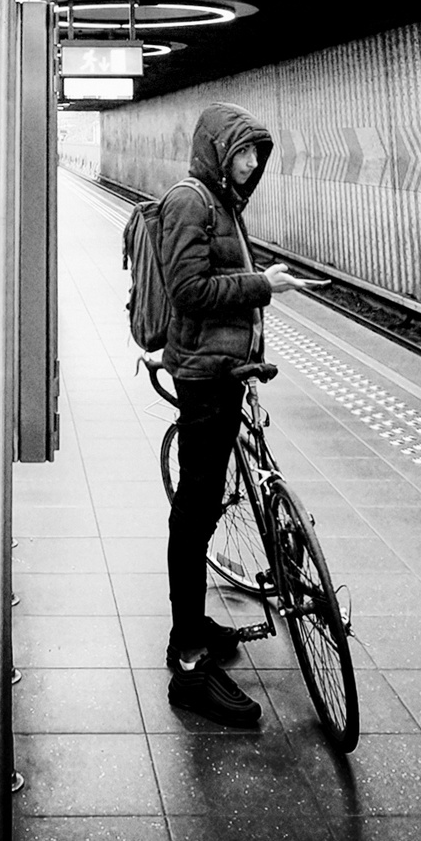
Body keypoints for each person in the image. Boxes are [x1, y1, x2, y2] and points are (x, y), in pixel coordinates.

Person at [156, 100, 306, 729]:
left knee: (207, 501)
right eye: (242, 151)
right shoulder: (190, 201)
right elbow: (188, 289)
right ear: (218, 150)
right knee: (195, 512)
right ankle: (188, 662)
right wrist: (263, 285)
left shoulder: (223, 203)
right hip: (205, 380)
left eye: (255, 154)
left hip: (226, 371)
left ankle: (192, 626)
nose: (250, 163)